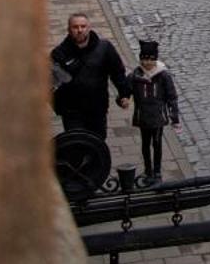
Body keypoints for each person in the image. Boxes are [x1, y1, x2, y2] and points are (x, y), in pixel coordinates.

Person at [50, 12, 129, 140]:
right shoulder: (59, 54)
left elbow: (117, 72)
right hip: (72, 112)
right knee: (77, 144)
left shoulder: (104, 48)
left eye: (83, 26)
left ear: (89, 28)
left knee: (97, 143)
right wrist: (59, 108)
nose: (80, 30)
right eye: (75, 27)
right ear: (69, 29)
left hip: (97, 108)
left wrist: (124, 94)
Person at [125, 38, 179, 186]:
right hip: (142, 116)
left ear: (155, 59)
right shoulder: (135, 76)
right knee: (145, 144)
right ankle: (148, 170)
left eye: (150, 59)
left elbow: (172, 97)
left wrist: (175, 117)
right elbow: (125, 91)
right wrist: (123, 99)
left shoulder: (163, 76)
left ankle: (157, 171)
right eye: (144, 59)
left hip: (157, 117)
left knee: (157, 143)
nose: (147, 63)